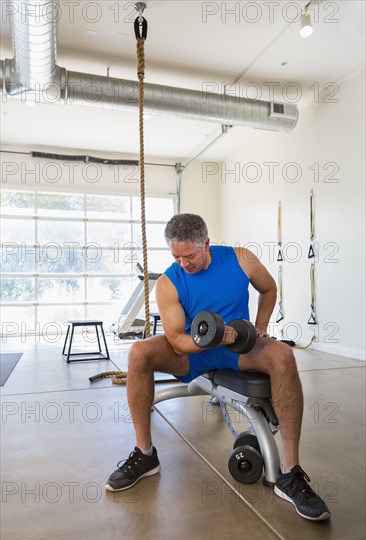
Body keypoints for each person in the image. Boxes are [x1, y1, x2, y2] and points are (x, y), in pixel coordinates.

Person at [106, 213, 331, 522]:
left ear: (206, 243)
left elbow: (268, 289)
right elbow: (175, 338)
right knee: (139, 352)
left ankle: (289, 474)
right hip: (190, 353)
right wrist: (208, 339)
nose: (184, 263)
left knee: (282, 356)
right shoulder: (171, 280)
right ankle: (145, 454)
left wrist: (261, 327)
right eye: (176, 256)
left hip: (237, 349)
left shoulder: (241, 259)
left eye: (190, 255)